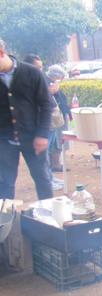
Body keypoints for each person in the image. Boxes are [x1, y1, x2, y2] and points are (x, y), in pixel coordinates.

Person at [0, 39, 54, 200]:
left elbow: (46, 105)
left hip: (33, 136)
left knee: (42, 178)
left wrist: (43, 134)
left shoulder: (32, 73)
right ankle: (5, 221)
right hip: (4, 140)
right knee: (5, 183)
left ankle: (49, 219)